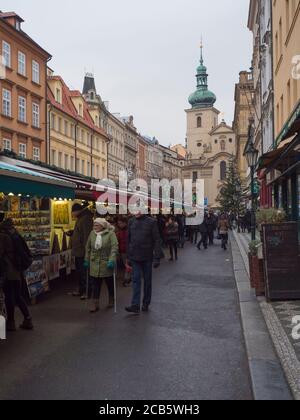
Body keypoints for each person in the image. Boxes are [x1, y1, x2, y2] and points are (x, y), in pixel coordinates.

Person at [0, 219, 33, 332]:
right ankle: (28, 319)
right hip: (17, 270)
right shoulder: (15, 234)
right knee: (18, 295)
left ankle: (11, 322)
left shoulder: (3, 236)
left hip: (8, 270)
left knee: (9, 296)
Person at [125, 213, 161, 314]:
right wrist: (128, 256)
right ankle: (135, 305)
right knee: (136, 280)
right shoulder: (131, 221)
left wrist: (157, 257)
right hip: (134, 256)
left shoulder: (152, 222)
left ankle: (146, 302)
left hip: (147, 256)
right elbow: (128, 240)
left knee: (147, 281)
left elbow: (157, 239)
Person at [85, 218, 119, 313]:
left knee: (109, 283)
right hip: (94, 263)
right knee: (95, 284)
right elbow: (88, 247)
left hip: (106, 263)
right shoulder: (92, 233)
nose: (94, 227)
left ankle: (111, 299)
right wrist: (86, 259)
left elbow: (114, 247)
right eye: (94, 225)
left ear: (102, 226)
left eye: (97, 225)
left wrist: (111, 260)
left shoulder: (110, 234)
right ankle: (95, 304)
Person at [71, 203, 94, 300]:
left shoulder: (85, 219)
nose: (72, 213)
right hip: (78, 251)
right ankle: (81, 290)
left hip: (82, 252)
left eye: (72, 211)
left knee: (84, 273)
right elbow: (81, 233)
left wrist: (87, 252)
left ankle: (87, 292)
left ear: (77, 211)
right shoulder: (81, 218)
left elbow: (86, 236)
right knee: (80, 272)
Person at [116, 217, 131, 287]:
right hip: (122, 250)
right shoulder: (119, 231)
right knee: (127, 265)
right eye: (118, 223)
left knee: (127, 265)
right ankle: (129, 277)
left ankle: (126, 278)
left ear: (125, 223)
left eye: (120, 223)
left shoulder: (128, 230)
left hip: (127, 250)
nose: (119, 225)